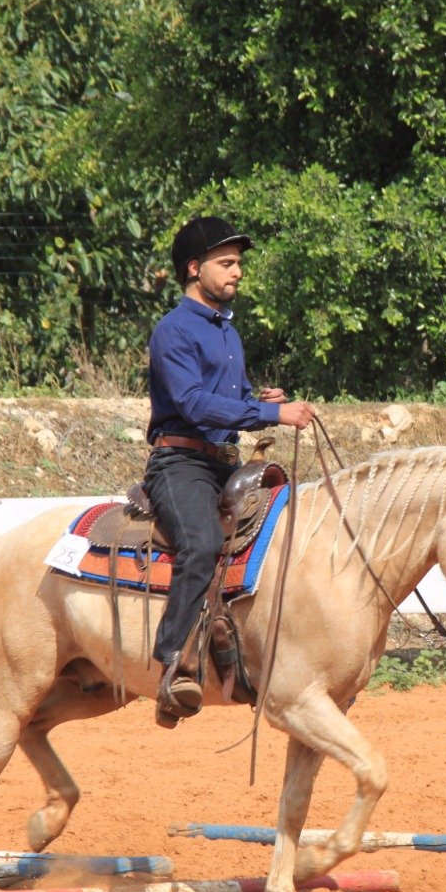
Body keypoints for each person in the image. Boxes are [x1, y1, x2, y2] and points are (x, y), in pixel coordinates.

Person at [143, 215, 316, 726]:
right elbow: (194, 405)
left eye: (238, 262)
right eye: (227, 263)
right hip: (181, 463)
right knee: (200, 542)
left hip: (225, 463)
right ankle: (173, 665)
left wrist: (257, 397)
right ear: (195, 269)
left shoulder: (227, 330)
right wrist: (272, 414)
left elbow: (226, 396)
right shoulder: (172, 330)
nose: (237, 271)